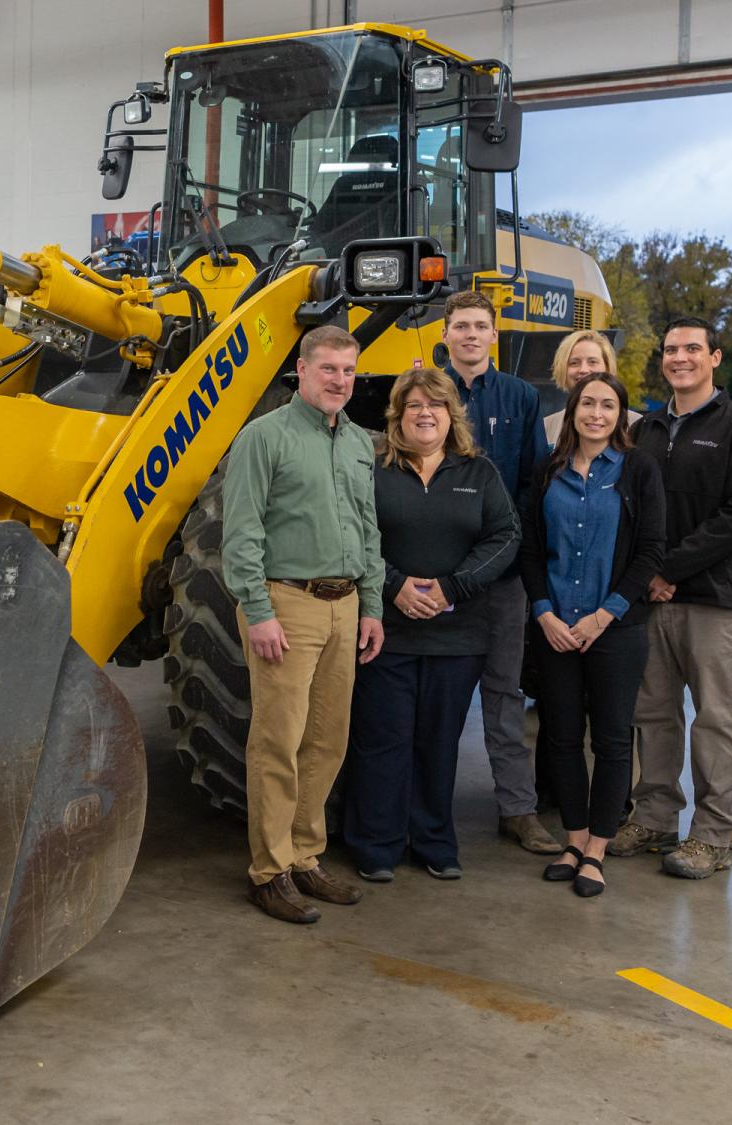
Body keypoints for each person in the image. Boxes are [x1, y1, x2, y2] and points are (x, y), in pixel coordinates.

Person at [222, 324, 386, 923]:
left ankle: (304, 856)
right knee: (278, 741)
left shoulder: (360, 443)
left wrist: (372, 604)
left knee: (326, 739)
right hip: (286, 604)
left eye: (348, 370)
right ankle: (268, 871)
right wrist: (258, 612)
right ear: (302, 368)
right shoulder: (263, 438)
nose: (340, 380)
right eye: (329, 369)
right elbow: (239, 533)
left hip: (345, 606)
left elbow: (369, 530)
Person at [344, 369, 520, 882]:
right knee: (383, 740)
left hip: (458, 636)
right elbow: (356, 533)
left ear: (452, 415)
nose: (425, 413)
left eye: (436, 405)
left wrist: (452, 587)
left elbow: (506, 536)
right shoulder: (374, 470)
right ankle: (375, 844)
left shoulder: (478, 472)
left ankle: (434, 841)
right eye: (414, 405)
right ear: (397, 417)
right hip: (386, 633)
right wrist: (394, 584)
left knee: (438, 744)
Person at [611, 316, 732, 879]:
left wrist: (668, 568)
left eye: (692, 349)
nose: (680, 358)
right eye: (671, 350)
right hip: (650, 600)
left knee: (717, 718)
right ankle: (654, 815)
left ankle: (711, 834)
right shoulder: (647, 430)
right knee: (651, 712)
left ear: (715, 357)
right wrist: (646, 576)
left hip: (715, 599)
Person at [522, 374, 664, 897]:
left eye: (608, 405)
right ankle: (574, 837)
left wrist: (604, 616)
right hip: (555, 628)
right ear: (573, 410)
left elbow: (650, 550)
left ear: (621, 414)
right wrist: (543, 613)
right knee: (558, 737)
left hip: (615, 630)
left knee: (610, 739)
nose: (597, 414)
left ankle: (598, 847)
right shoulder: (547, 470)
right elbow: (531, 550)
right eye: (587, 404)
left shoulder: (638, 470)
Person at [442, 289, 558, 855]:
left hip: (504, 577)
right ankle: (424, 809)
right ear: (446, 335)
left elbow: (533, 481)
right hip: (436, 578)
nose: (470, 334)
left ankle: (518, 809)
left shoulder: (519, 396)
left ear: (494, 334)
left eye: (480, 326)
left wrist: (518, 561)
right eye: (460, 325)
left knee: (505, 694)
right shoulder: (425, 394)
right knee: (432, 698)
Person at [542, 330, 641, 444]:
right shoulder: (546, 426)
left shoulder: (637, 425)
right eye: (574, 363)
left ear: (608, 367)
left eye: (592, 362)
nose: (583, 369)